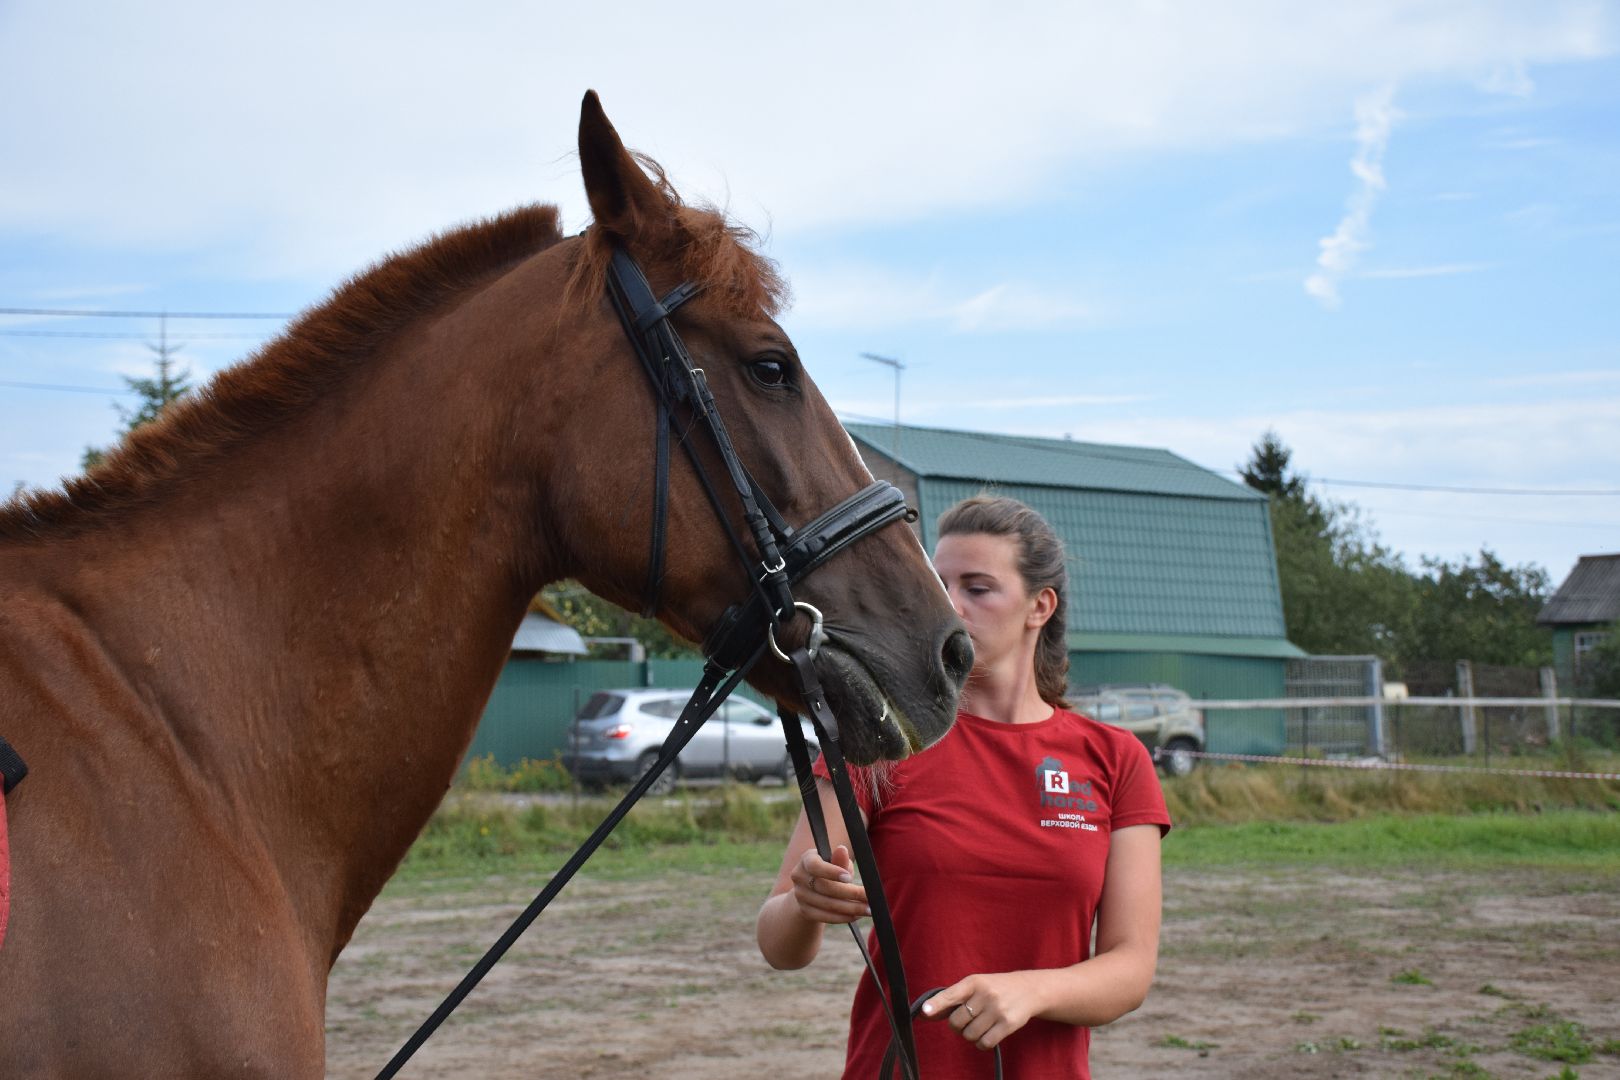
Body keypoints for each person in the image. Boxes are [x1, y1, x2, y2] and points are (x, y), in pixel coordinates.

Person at [756, 495, 1170, 1079]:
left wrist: (1030, 992)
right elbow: (779, 946)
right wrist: (803, 904)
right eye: (938, 583)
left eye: (977, 588)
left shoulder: (1115, 758)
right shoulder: (882, 743)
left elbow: (1130, 969)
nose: (947, 606)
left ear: (1039, 606)